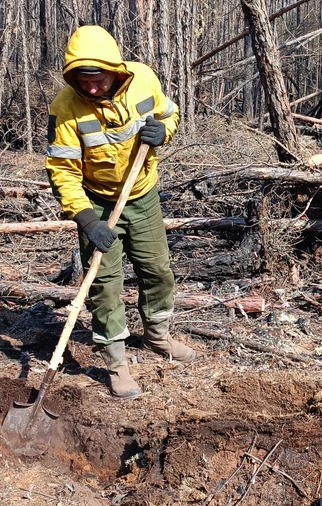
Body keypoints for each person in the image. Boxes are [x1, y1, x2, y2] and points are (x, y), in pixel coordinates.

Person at [45, 25, 195, 399]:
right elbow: (62, 170)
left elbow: (168, 113)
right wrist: (87, 220)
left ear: (115, 69)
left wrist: (165, 130)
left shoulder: (143, 78)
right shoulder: (66, 107)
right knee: (104, 285)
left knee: (157, 269)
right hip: (96, 202)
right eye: (83, 80)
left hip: (142, 196)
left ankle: (158, 338)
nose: (92, 87)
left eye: (98, 78)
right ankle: (116, 364)